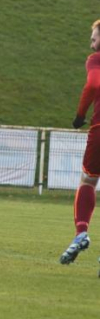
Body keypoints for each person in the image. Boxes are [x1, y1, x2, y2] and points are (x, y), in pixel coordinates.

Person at [60, 19, 100, 264]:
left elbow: (93, 84)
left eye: (94, 38)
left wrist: (79, 116)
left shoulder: (96, 59)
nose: (92, 42)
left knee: (88, 179)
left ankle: (81, 233)